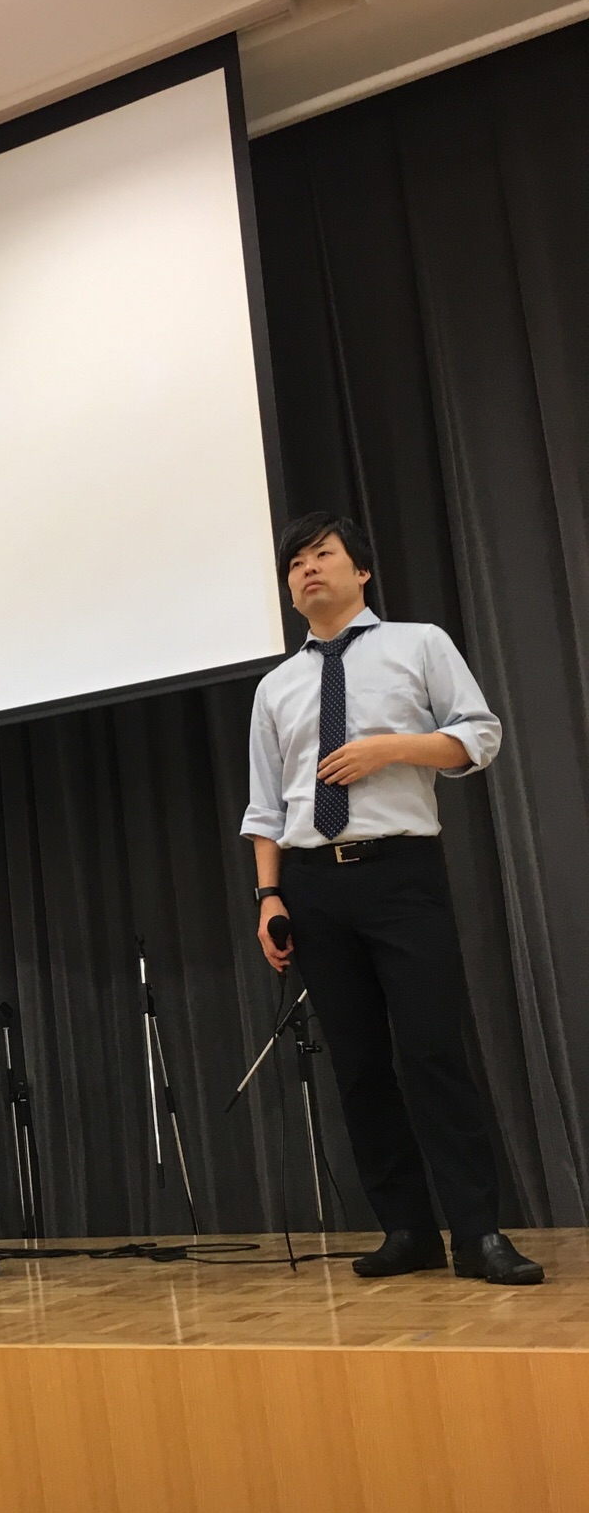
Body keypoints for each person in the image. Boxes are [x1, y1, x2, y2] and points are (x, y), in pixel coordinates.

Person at [242, 512, 542, 1285]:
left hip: (400, 873)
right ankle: (406, 1228)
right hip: (311, 884)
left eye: (323, 554)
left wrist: (391, 748)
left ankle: (477, 1231)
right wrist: (270, 895)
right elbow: (266, 807)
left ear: (361, 570)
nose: (308, 569)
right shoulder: (276, 686)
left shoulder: (419, 643)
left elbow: (479, 734)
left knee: (433, 1050)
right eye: (295, 563)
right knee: (359, 1065)